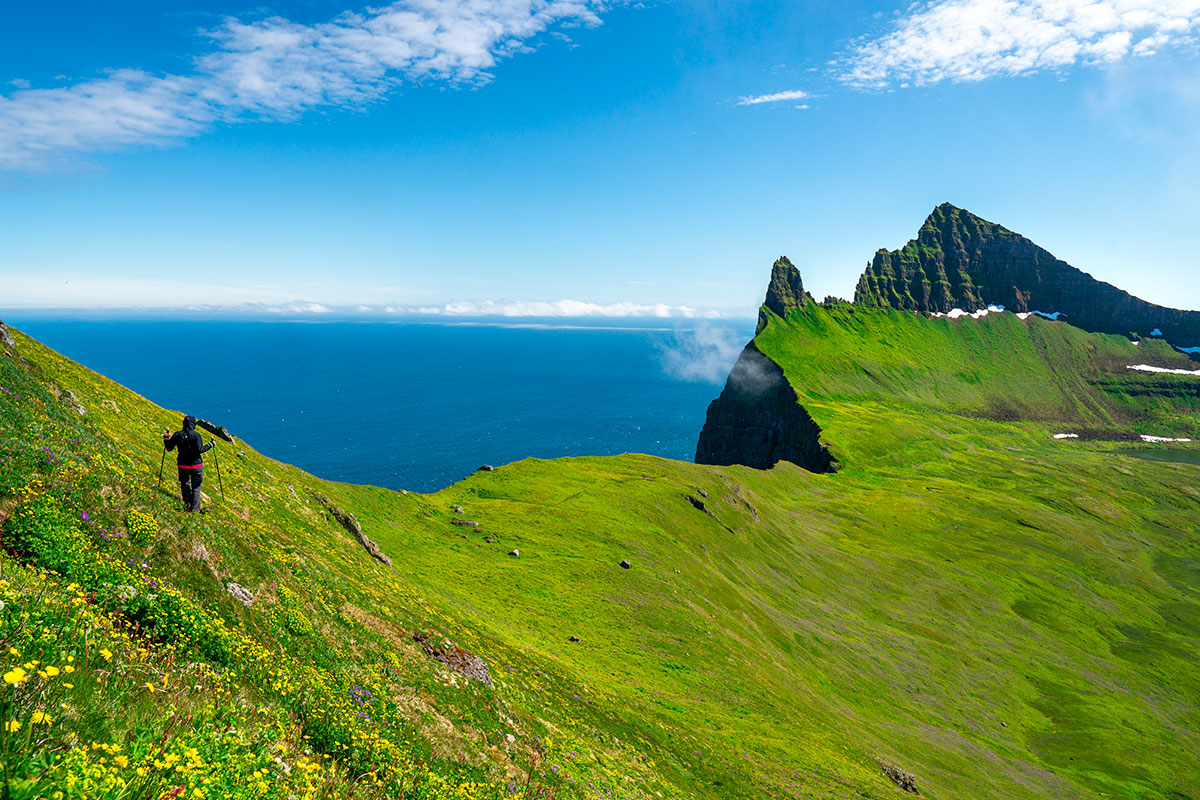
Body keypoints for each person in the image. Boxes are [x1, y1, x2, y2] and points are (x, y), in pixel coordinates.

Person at [163, 415, 215, 512]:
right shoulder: (196, 435)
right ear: (193, 425)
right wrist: (210, 444)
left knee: (185, 484)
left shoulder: (177, 435)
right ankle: (195, 510)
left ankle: (187, 505)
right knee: (196, 487)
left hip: (183, 465)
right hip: (196, 465)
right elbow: (200, 450)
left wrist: (166, 438)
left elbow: (169, 448)